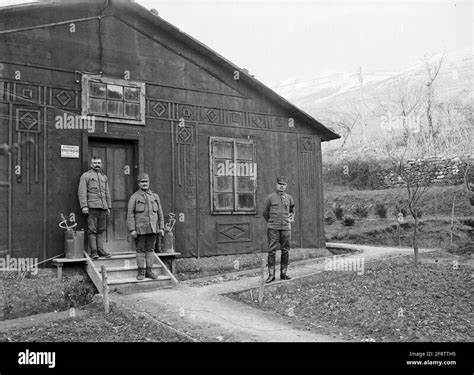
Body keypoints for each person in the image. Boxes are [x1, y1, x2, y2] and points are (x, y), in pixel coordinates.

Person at [127, 173, 165, 280]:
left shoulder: (155, 196)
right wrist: (132, 229)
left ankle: (149, 271)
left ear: (149, 182)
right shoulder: (134, 197)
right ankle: (141, 272)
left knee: (150, 249)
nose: (144, 184)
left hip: (153, 228)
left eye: (146, 182)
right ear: (138, 183)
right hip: (140, 229)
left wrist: (161, 228)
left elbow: (160, 213)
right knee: (140, 250)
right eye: (142, 182)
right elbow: (130, 214)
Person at [262, 176, 295, 283]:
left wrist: (290, 219)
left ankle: (283, 273)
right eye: (280, 184)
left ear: (286, 186)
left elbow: (292, 210)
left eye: (284, 184)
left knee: (285, 250)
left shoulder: (289, 198)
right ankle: (271, 275)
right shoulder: (270, 197)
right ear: (276, 185)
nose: (281, 186)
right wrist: (272, 222)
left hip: (286, 228)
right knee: (272, 251)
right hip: (273, 228)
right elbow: (265, 213)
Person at [78, 156, 112, 259]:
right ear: (91, 164)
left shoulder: (103, 177)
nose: (97, 164)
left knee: (101, 229)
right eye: (95, 163)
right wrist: (84, 206)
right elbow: (81, 192)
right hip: (92, 206)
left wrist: (108, 206)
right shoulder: (86, 176)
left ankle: (100, 250)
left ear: (101, 164)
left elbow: (107, 192)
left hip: (103, 207)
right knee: (92, 229)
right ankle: (94, 252)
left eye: (99, 163)